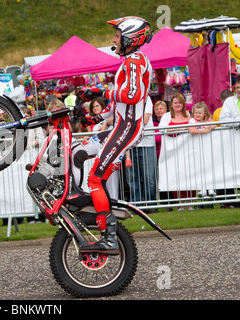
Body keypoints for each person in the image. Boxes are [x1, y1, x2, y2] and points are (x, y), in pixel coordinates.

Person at [78, 16, 153, 254]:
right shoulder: (133, 60)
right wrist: (95, 119)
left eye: (118, 35)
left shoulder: (134, 61)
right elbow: (121, 105)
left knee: (95, 179)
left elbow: (131, 95)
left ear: (131, 37)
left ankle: (109, 236)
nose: (114, 39)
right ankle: (83, 201)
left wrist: (100, 91)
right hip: (120, 127)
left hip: (127, 130)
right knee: (77, 152)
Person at [158, 93, 194, 211]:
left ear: (183, 104)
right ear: (171, 105)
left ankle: (190, 202)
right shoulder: (167, 116)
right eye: (175, 103)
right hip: (173, 152)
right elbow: (162, 129)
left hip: (188, 150)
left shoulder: (189, 115)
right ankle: (180, 203)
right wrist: (182, 129)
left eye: (180, 102)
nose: (178, 105)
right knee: (176, 176)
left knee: (189, 175)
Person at [126, 97, 157, 209]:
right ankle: (136, 206)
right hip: (129, 144)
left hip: (146, 143)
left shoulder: (146, 99)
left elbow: (144, 120)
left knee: (149, 177)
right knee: (132, 178)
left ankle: (151, 205)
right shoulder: (125, 100)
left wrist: (127, 122)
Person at [187, 102, 216, 198]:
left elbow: (214, 125)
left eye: (199, 113)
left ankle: (211, 189)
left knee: (209, 168)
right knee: (200, 169)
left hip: (207, 149)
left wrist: (209, 127)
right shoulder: (192, 121)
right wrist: (205, 131)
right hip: (196, 150)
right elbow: (191, 130)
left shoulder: (208, 121)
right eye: (196, 113)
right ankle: (202, 189)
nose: (197, 115)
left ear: (205, 113)